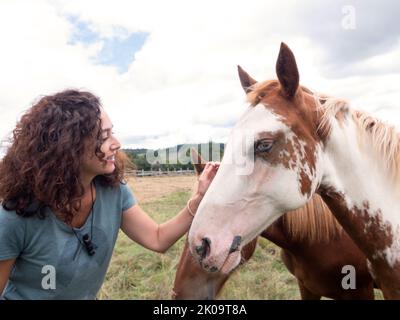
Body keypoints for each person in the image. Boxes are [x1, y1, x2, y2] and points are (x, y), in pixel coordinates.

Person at [0, 90, 219, 299]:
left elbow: (157, 238)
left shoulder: (114, 191)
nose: (116, 144)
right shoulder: (14, 217)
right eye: (104, 137)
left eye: (112, 133)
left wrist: (199, 198)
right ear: (67, 147)